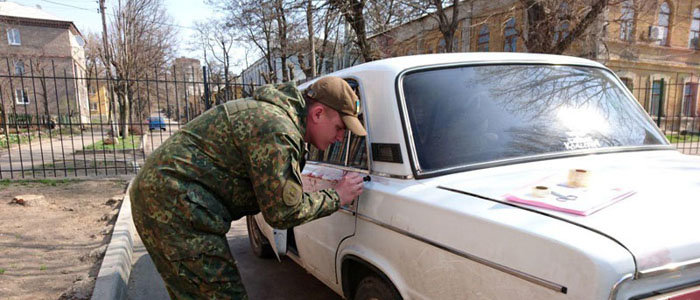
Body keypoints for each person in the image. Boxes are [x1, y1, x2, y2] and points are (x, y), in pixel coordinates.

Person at [130, 76, 367, 299]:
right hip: (172, 204)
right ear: (317, 113)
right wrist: (337, 195)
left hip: (166, 196)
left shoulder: (274, 116)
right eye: (339, 128)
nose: (340, 138)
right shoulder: (277, 129)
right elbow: (283, 213)